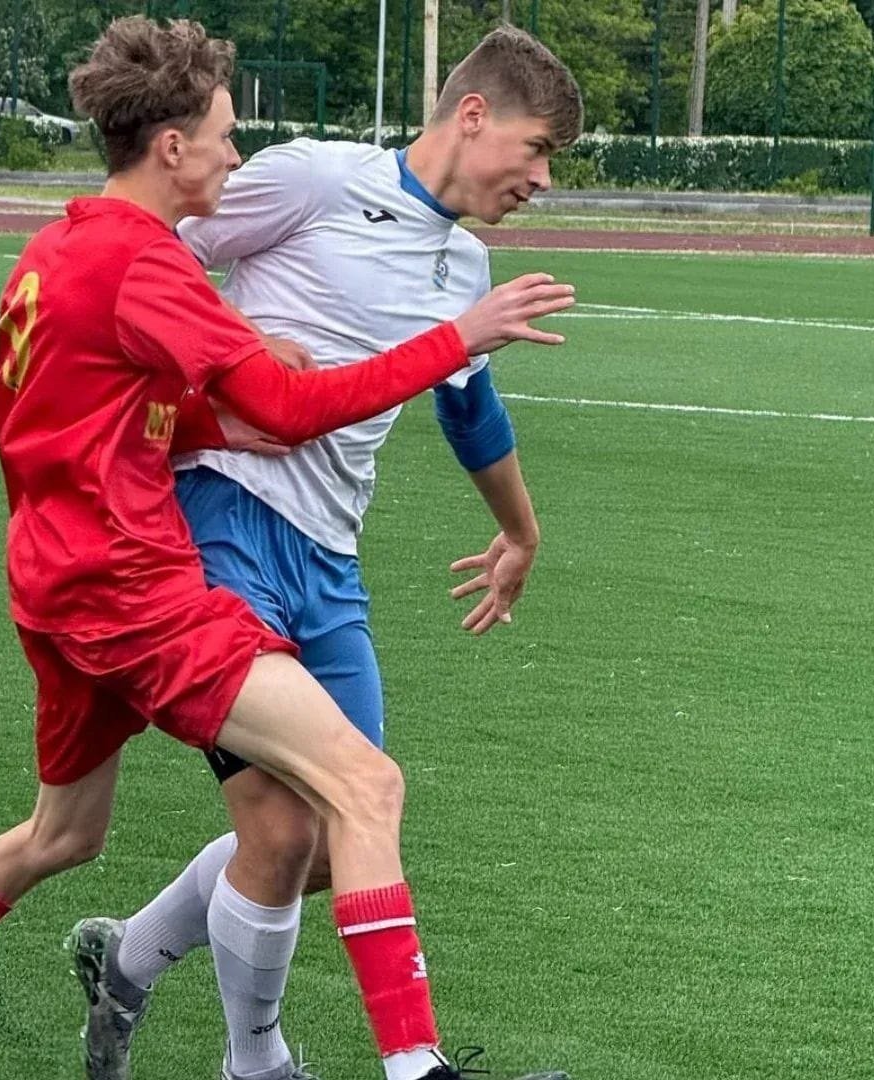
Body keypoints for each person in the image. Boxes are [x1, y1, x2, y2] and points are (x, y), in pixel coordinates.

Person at [0, 16, 577, 1080]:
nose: (237, 158)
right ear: (173, 148)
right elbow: (286, 404)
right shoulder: (159, 257)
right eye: (224, 135)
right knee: (359, 791)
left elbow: (84, 393)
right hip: (144, 580)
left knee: (69, 835)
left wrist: (209, 410)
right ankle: (382, 1070)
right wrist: (425, 342)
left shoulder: (59, 250)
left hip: (62, 577)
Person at [67, 23, 582, 1080]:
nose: (542, 178)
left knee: (324, 835)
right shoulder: (319, 180)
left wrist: (521, 531)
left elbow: (469, 410)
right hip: (222, 515)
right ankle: (265, 1065)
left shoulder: (467, 265)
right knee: (298, 818)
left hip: (330, 562)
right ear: (473, 115)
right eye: (536, 149)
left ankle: (131, 957)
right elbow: (151, 246)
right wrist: (238, 350)